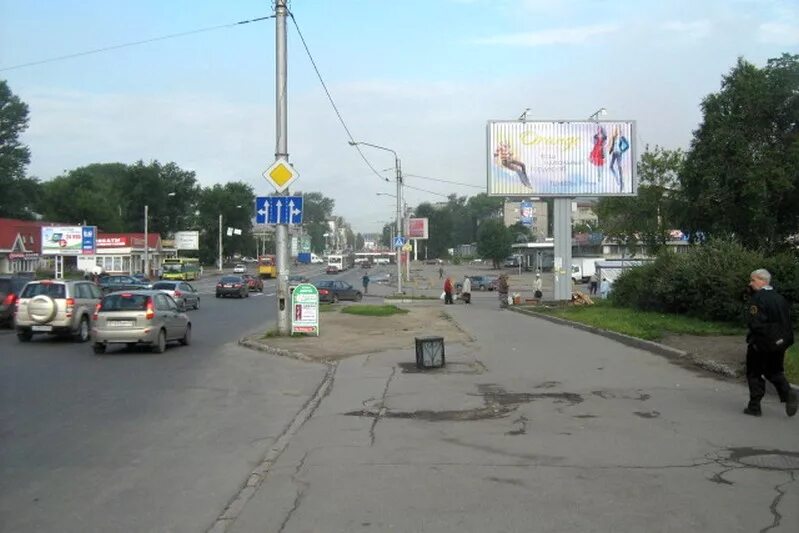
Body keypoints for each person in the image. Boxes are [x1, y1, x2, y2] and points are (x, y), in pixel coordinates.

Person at [743, 269, 797, 417]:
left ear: (762, 280)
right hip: (779, 342)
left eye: (752, 280)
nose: (750, 283)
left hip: (761, 343)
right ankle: (787, 392)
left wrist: (754, 340)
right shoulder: (780, 298)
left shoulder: (758, 298)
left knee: (754, 373)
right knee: (774, 371)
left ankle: (754, 407)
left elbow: (755, 323)